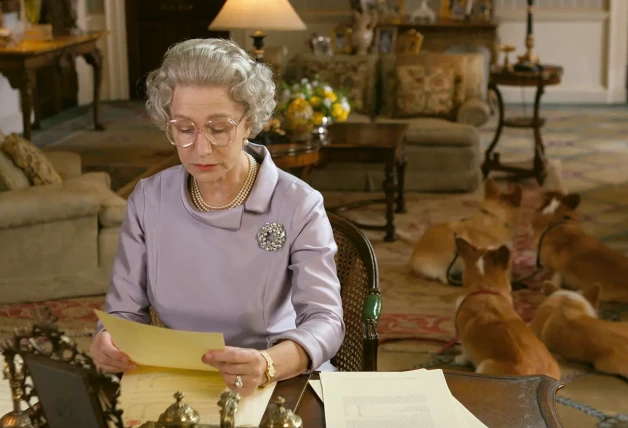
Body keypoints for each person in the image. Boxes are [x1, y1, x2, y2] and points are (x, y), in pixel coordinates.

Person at [89, 38, 345, 397]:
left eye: (219, 127)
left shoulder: (298, 204)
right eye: (184, 128)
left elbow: (326, 322)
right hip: (177, 384)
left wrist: (269, 364)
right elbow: (123, 313)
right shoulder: (149, 199)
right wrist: (106, 340)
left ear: (249, 122)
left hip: (277, 382)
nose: (201, 148)